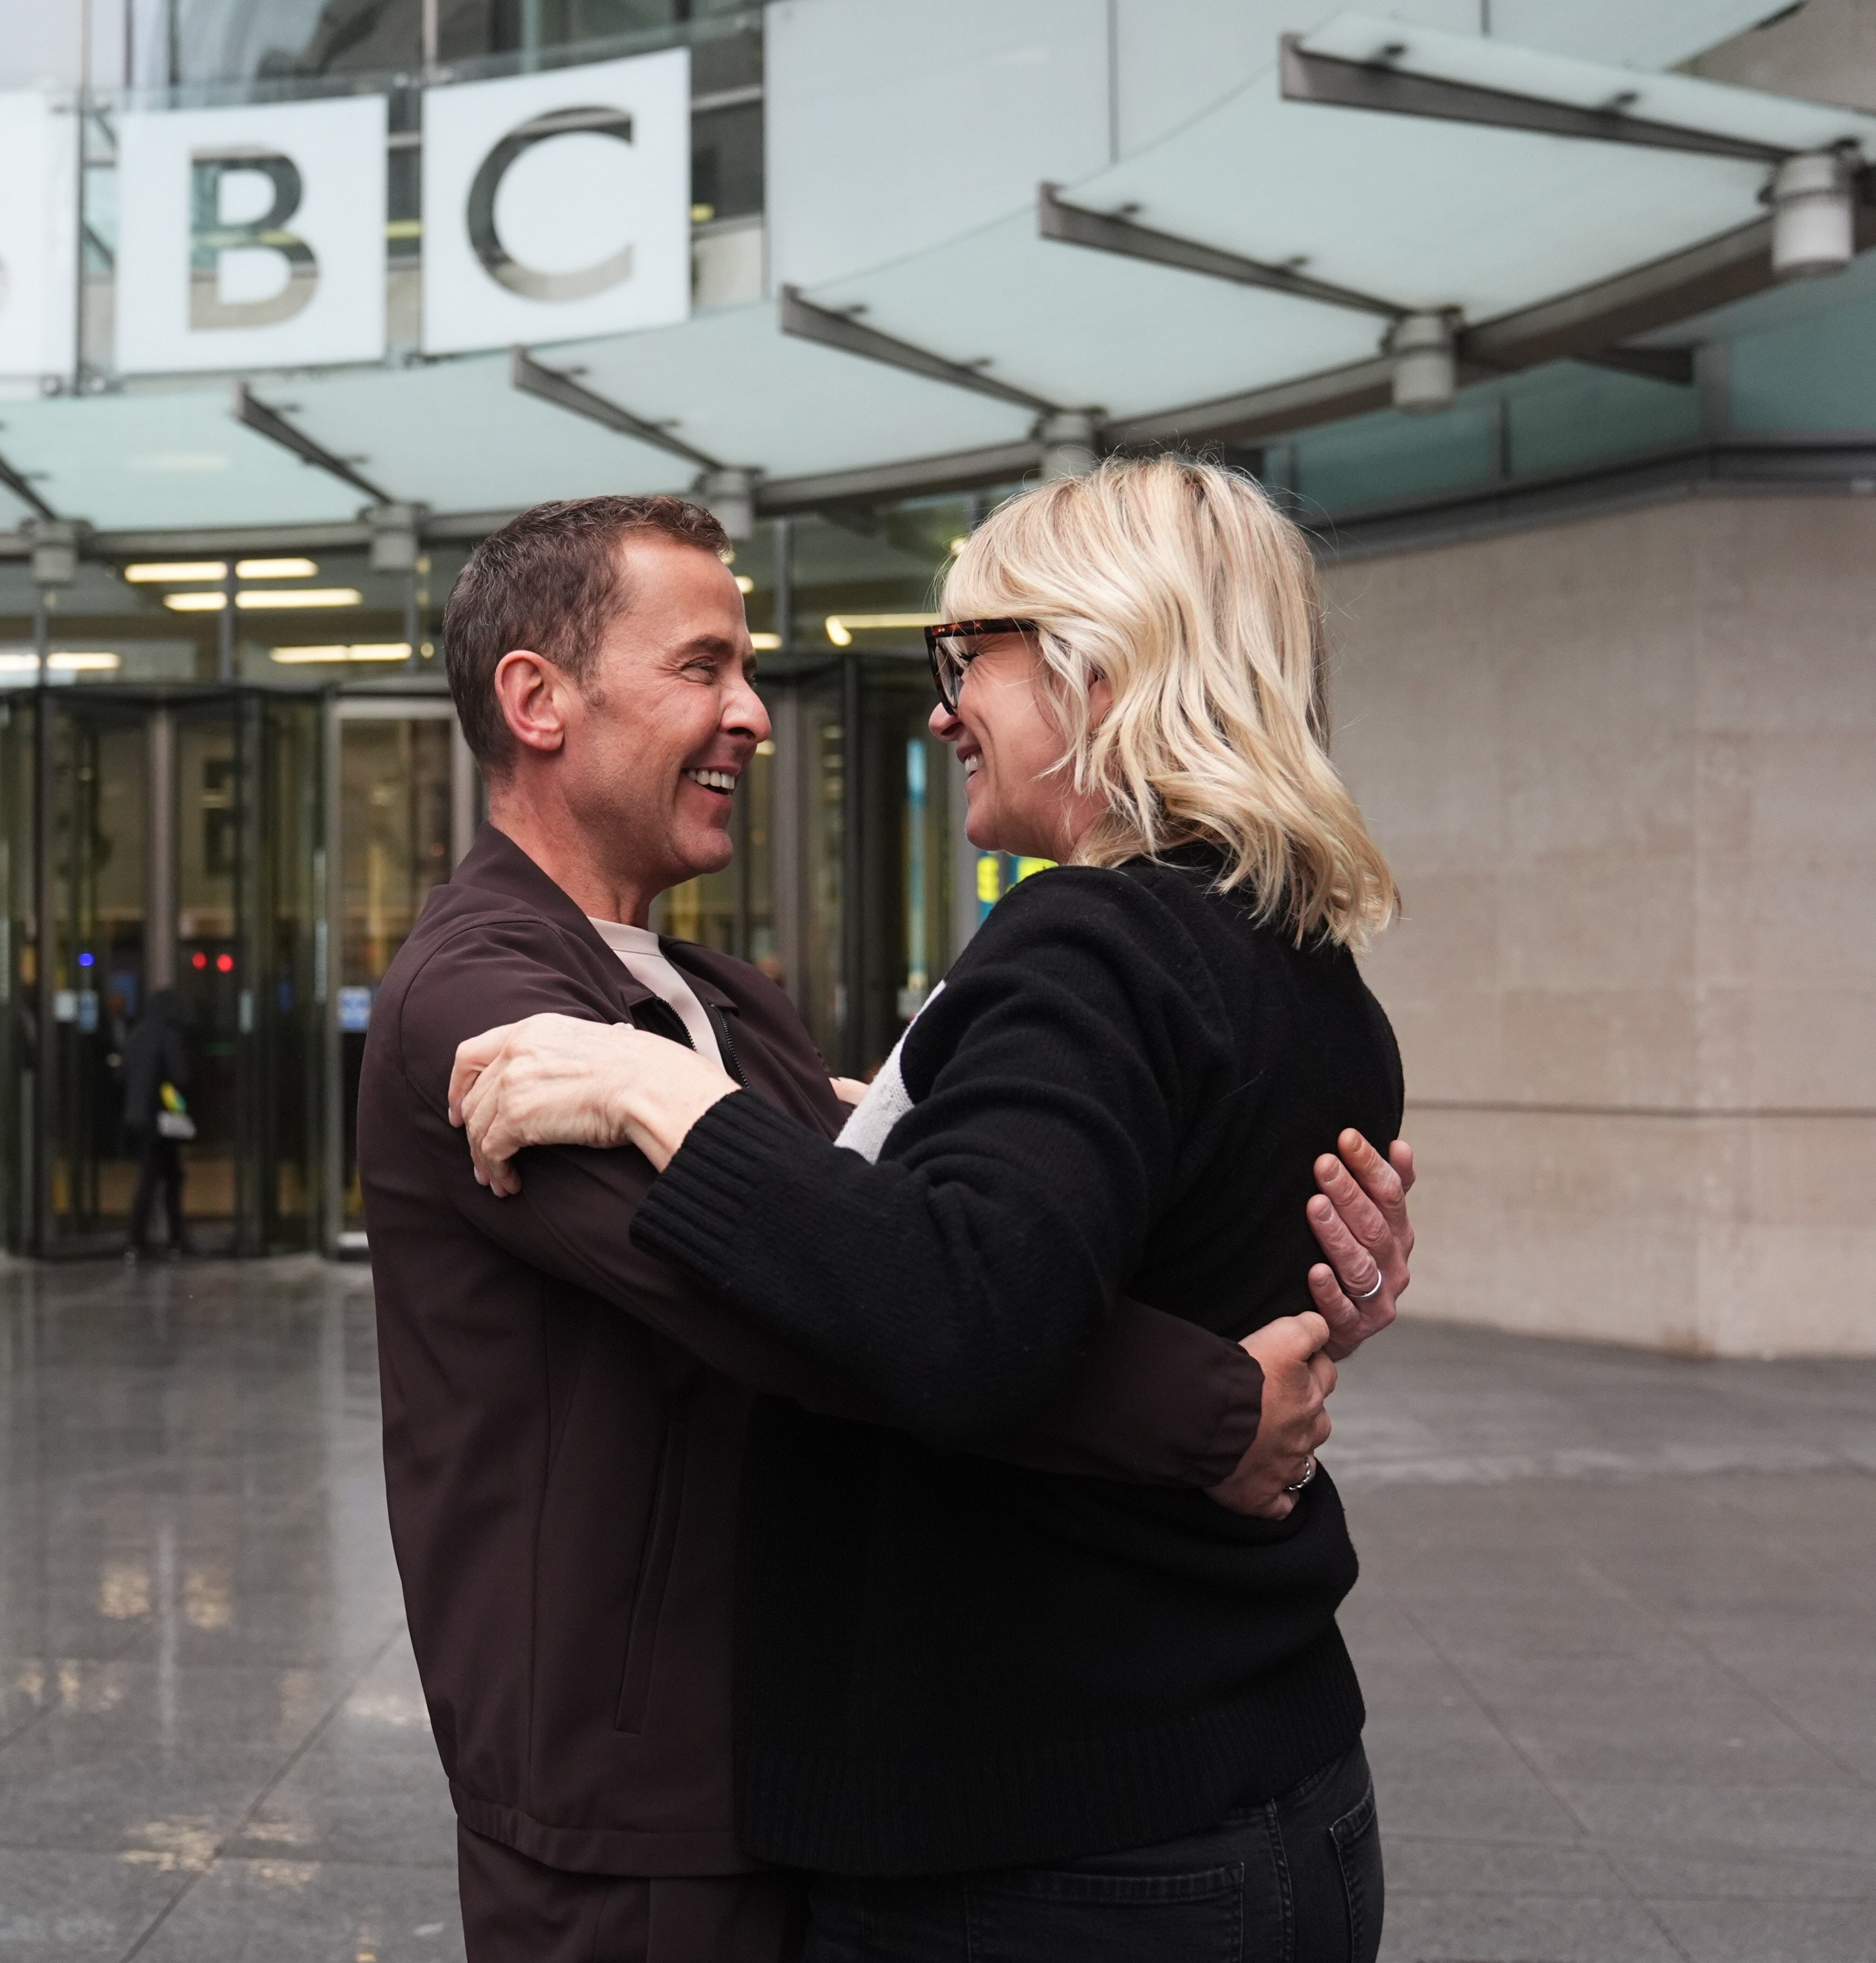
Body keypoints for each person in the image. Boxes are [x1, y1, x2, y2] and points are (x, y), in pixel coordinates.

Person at [358, 493, 1414, 1963]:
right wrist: (1217, 1399)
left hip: (999, 1790)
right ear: (536, 701)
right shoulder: (487, 1008)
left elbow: (909, 1269)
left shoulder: (749, 1004)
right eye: (703, 667)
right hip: (639, 1798)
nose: (755, 715)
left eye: (958, 658)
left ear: (1101, 667)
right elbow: (843, 1307)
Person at [119, 985, 192, 1260]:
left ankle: (150, 1238)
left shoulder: (137, 1034)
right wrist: (181, 1109)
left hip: (138, 1117)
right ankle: (156, 1237)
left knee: (156, 1177)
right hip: (161, 1119)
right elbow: (179, 1077)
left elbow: (124, 1075)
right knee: (163, 1180)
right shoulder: (168, 1036)